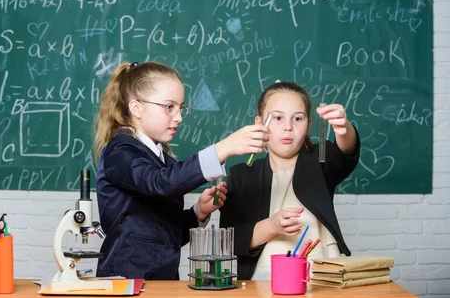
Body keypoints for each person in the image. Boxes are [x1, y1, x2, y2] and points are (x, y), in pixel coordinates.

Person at [93, 61, 269, 280]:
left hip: (159, 283)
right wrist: (223, 148)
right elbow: (160, 183)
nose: (178, 117)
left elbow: (165, 237)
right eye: (169, 107)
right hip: (126, 283)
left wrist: (199, 212)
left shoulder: (159, 157)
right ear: (136, 108)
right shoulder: (120, 152)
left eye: (180, 107)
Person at [219, 81, 360, 280]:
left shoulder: (319, 161)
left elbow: (346, 152)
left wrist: (344, 127)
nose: (288, 127)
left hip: (320, 278)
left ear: (309, 124)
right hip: (260, 281)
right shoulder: (242, 175)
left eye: (298, 119)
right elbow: (230, 242)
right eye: (277, 118)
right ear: (259, 123)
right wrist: (272, 226)